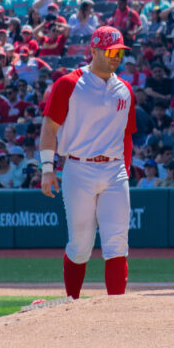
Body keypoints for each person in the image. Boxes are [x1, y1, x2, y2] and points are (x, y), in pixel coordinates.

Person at [40, 26, 136, 300]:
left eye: (119, 51)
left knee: (117, 242)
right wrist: (48, 170)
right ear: (93, 51)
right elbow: (49, 128)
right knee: (80, 244)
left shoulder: (125, 89)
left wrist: (125, 172)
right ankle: (73, 304)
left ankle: (115, 307)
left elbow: (127, 136)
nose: (116, 56)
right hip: (78, 167)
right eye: (110, 51)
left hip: (114, 170)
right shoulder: (69, 83)